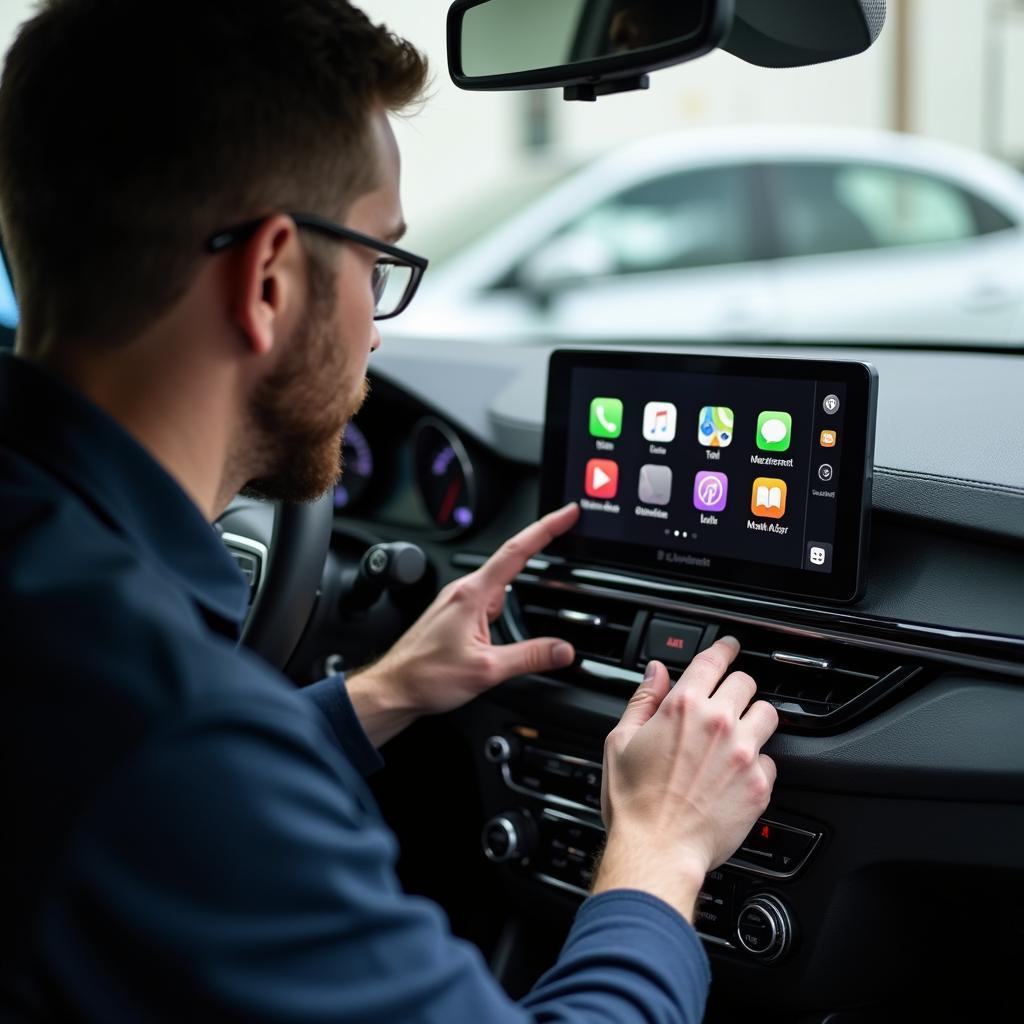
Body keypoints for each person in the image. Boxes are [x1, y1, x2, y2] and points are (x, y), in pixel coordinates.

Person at [0, 1, 779, 1020]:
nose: (377, 329)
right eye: (379, 262)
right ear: (269, 279)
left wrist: (378, 693)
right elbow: (179, 780)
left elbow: (156, 808)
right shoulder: (167, 732)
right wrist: (662, 849)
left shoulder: (57, 594)